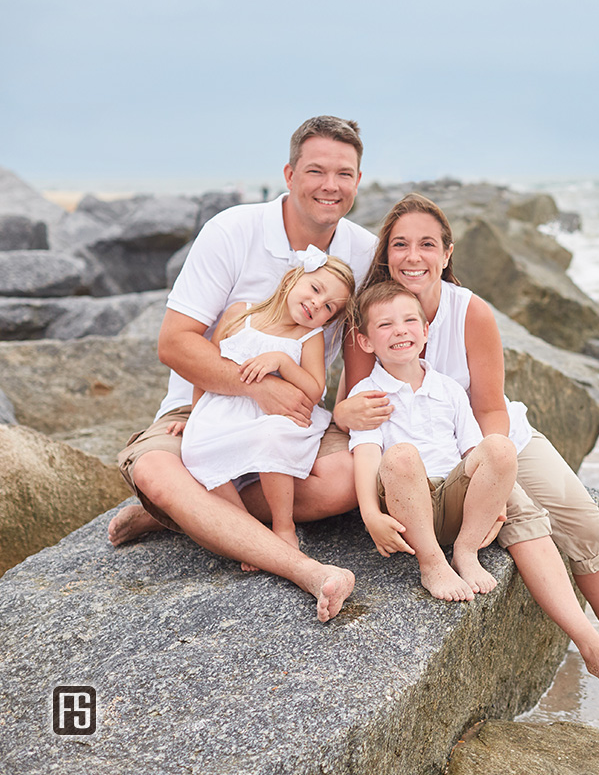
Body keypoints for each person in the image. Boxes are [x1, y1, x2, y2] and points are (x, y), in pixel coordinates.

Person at [335, 193, 599, 683]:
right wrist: (345, 412)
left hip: (491, 436)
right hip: (423, 456)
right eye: (400, 244)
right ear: (385, 253)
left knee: (582, 520)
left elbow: (490, 409)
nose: (413, 256)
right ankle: (587, 640)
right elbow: (357, 406)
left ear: (447, 254)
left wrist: (489, 484)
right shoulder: (372, 316)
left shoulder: (470, 312)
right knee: (522, 517)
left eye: (427, 244)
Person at [108, 115, 376, 622]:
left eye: (344, 173)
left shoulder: (363, 252)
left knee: (347, 477)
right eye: (316, 170)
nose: (330, 185)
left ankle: (181, 516)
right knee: (157, 471)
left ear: (358, 181)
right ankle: (305, 570)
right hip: (205, 400)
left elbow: (371, 346)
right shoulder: (232, 230)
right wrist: (255, 390)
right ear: (290, 174)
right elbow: (175, 343)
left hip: (293, 416)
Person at [179, 254, 356, 557]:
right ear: (291, 280)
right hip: (224, 410)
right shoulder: (240, 313)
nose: (317, 303)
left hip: (276, 416)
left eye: (329, 306)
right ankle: (244, 528)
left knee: (271, 438)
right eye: (315, 289)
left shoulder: (309, 336)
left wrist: (283, 362)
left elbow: (314, 390)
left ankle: (282, 525)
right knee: (194, 451)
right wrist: (194, 417)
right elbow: (206, 371)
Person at [348, 281, 513, 601]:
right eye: (385, 324)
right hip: (406, 506)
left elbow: (473, 451)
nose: (400, 331)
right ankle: (432, 563)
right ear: (365, 341)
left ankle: (464, 552)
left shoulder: (448, 388)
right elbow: (366, 456)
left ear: (425, 331)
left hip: (457, 504)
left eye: (409, 321)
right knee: (400, 455)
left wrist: (498, 498)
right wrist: (370, 515)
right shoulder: (367, 396)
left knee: (500, 447)